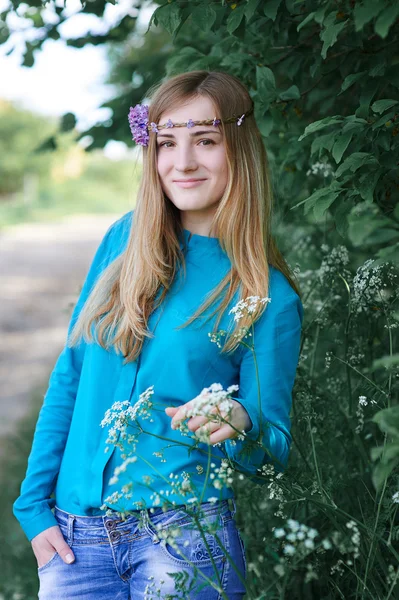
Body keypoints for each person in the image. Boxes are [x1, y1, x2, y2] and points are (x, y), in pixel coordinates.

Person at [13, 70, 304, 599]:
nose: (183, 162)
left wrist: (241, 425)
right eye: (167, 143)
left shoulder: (268, 297)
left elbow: (275, 447)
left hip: (185, 542)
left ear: (238, 149)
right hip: (75, 543)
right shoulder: (122, 241)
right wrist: (33, 509)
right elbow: (72, 372)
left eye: (206, 141)